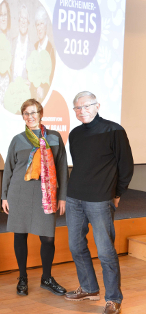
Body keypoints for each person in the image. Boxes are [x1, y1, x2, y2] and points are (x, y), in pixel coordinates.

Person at [64, 91, 134, 314]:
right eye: (77, 107)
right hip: (74, 197)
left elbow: (126, 166)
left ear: (97, 106)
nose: (81, 110)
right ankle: (89, 288)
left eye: (86, 106)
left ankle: (113, 299)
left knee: (105, 252)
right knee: (76, 246)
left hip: (101, 199)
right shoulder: (74, 134)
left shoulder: (114, 130)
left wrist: (117, 192)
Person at [1, 99, 68, 297]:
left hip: (46, 195)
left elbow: (63, 168)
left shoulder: (55, 138)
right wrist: (4, 196)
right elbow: (9, 170)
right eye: (26, 113)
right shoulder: (18, 139)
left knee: (48, 238)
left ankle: (46, 278)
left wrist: (62, 197)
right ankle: (22, 277)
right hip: (19, 193)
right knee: (19, 235)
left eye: (34, 112)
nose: (30, 116)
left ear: (41, 114)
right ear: (23, 116)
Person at [31, 7, 56, 102]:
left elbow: (52, 78)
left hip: (44, 99)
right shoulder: (34, 47)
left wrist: (44, 89)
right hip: (32, 96)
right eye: (37, 24)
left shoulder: (51, 50)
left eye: (41, 23)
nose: (39, 28)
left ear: (45, 26)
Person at [11, 4, 33, 84]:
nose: (23, 21)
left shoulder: (33, 49)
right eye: (21, 18)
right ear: (18, 21)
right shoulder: (11, 44)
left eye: (25, 19)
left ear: (28, 23)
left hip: (26, 93)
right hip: (11, 92)